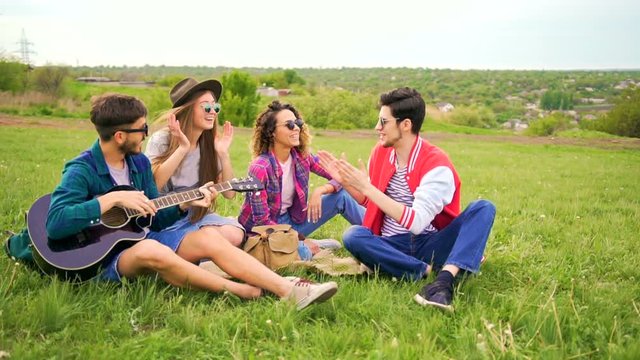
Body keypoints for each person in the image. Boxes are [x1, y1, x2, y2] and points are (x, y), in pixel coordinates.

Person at [8, 93, 337, 310]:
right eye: (142, 129)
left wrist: (185, 205)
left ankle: (289, 289)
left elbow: (155, 218)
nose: (147, 134)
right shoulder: (82, 170)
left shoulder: (137, 165)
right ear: (120, 136)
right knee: (153, 251)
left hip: (142, 236)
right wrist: (110, 200)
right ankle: (241, 290)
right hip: (102, 257)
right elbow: (55, 222)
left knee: (207, 236)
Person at [317, 87, 495, 312]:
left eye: (383, 122)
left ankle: (444, 279)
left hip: (430, 241)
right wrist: (347, 182)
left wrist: (367, 187)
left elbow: (417, 222)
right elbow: (371, 202)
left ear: (406, 125)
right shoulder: (381, 152)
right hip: (391, 243)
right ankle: (427, 271)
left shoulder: (436, 164)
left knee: (483, 207)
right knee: (353, 235)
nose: (377, 128)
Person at [238, 100, 365, 259]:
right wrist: (299, 238)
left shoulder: (302, 158)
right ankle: (308, 246)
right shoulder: (260, 168)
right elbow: (262, 223)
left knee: (342, 196)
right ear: (272, 132)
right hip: (266, 232)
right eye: (289, 124)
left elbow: (340, 178)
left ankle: (383, 235)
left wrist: (320, 190)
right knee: (304, 253)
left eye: (297, 123)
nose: (296, 127)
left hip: (292, 220)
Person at [145, 78, 244, 247]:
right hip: (166, 217)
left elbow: (229, 194)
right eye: (206, 106)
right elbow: (154, 186)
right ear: (187, 110)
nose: (212, 111)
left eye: (215, 106)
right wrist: (182, 148)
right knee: (212, 239)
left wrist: (223, 154)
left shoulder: (209, 144)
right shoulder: (162, 140)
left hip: (197, 216)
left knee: (236, 235)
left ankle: (200, 246)